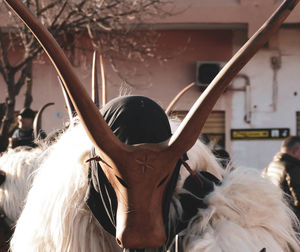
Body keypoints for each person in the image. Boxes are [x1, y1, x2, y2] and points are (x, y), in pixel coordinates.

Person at [263, 136, 300, 220]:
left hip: (276, 217)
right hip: (292, 219)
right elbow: (298, 197)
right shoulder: (292, 167)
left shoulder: (270, 166)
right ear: (296, 150)